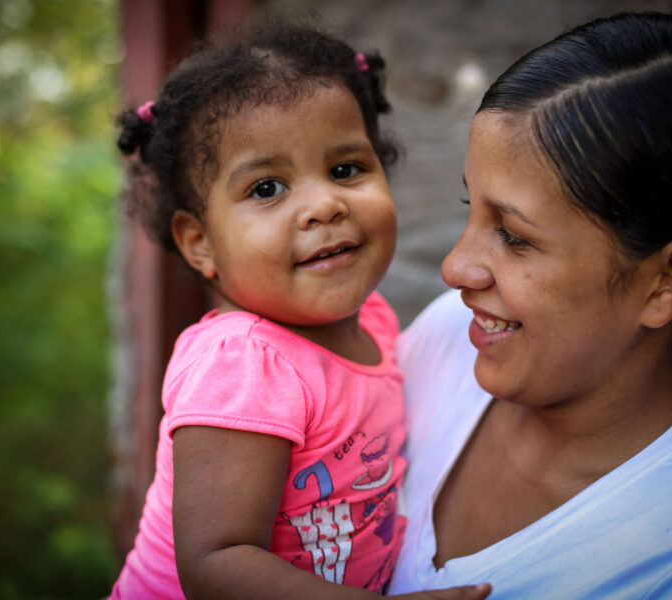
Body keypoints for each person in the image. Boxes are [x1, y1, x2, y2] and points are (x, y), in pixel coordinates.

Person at [110, 21, 491, 600]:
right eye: (266, 188)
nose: (323, 205)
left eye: (345, 169)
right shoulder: (242, 365)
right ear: (199, 242)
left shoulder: (376, 322)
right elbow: (217, 564)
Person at [389, 11, 672, 599]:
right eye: (472, 207)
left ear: (668, 281)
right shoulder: (445, 339)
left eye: (514, 236)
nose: (454, 269)